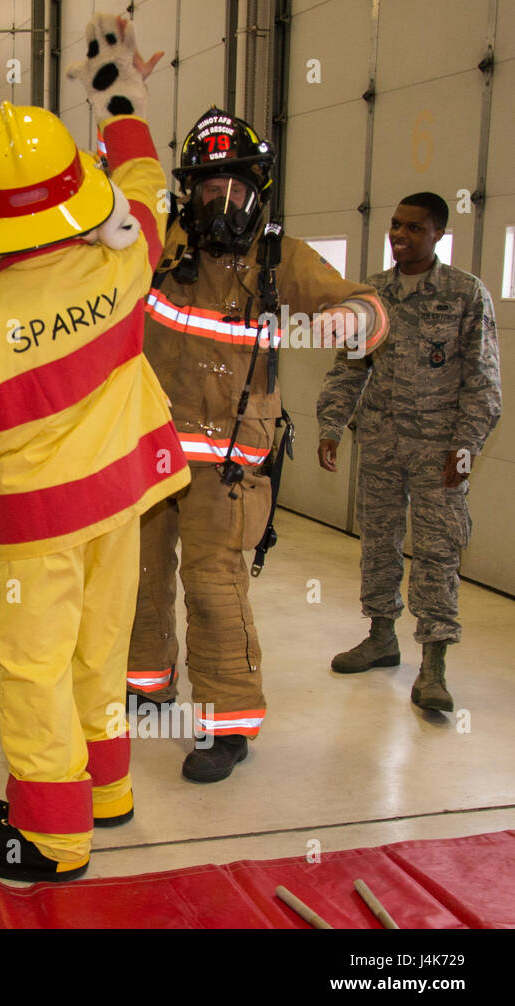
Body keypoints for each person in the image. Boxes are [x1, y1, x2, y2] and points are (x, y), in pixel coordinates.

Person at [0, 14, 190, 882]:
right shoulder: (124, 263)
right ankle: (107, 792)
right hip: (122, 501)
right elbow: (147, 183)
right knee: (99, 651)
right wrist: (119, 93)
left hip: (35, 529)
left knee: (31, 670)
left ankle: (51, 836)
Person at [126, 105, 388, 782]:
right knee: (140, 575)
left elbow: (368, 305)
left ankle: (227, 724)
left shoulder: (280, 260)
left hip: (227, 468)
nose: (222, 200)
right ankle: (147, 684)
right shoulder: (159, 248)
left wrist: (347, 321)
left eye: (235, 187)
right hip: (150, 453)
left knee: (213, 585)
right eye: (210, 187)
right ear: (191, 192)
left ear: (256, 192)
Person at [317, 191, 501, 712]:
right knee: (378, 540)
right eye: (396, 225)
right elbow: (350, 365)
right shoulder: (373, 294)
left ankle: (434, 666)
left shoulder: (466, 293)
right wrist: (332, 424)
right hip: (380, 442)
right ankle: (381, 637)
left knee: (438, 551)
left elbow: (483, 381)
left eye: (414, 228)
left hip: (439, 451)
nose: (400, 235)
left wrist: (465, 448)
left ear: (438, 233)